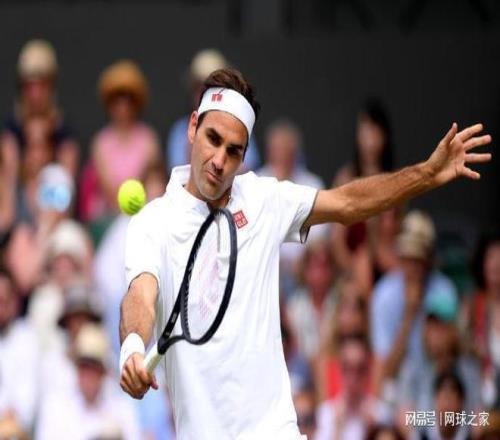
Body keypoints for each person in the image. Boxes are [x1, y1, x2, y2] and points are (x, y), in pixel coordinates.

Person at [119, 67, 491, 439]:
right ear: (193, 127)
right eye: (212, 139)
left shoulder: (264, 200)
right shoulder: (152, 223)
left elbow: (347, 202)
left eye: (233, 151)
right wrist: (134, 346)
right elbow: (141, 296)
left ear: (244, 156)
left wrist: (426, 174)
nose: (219, 160)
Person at [370, 211, 459, 401]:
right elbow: (386, 371)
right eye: (408, 258)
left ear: (429, 259)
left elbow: (449, 358)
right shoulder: (383, 294)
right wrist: (409, 314)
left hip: (437, 389)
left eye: (418, 258)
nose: (413, 266)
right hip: (399, 392)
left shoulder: (444, 290)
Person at [79, 60, 161, 224]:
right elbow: (109, 192)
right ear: (109, 104)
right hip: (108, 219)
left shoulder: (149, 139)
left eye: (128, 98)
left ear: (136, 103)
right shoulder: (100, 143)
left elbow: (154, 182)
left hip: (143, 215)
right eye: (116, 98)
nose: (123, 105)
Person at [166, 48, 260, 172]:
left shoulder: (241, 128)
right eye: (199, 88)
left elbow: (249, 168)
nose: (207, 94)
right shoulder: (179, 130)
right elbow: (178, 170)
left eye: (216, 88)